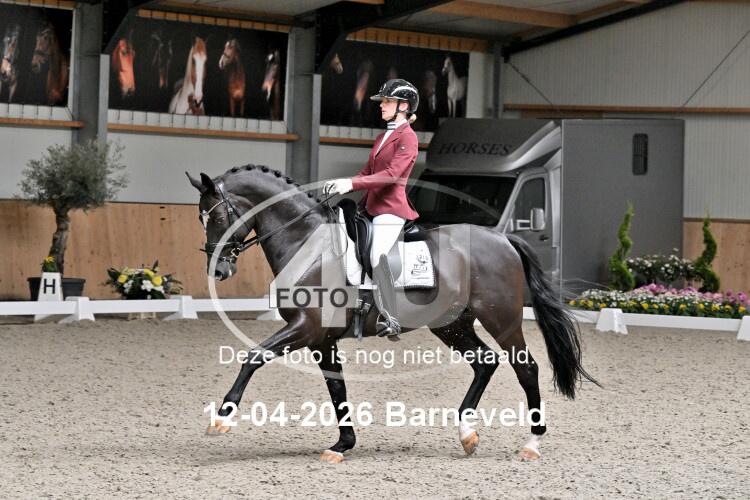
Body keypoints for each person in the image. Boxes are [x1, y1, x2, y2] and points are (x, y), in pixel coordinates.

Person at [324, 78, 420, 339]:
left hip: (391, 209)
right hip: (369, 207)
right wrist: (343, 184)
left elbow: (392, 175)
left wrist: (351, 183)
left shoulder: (408, 137)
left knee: (378, 255)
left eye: (387, 101)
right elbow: (367, 173)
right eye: (383, 101)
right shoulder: (382, 137)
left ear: (404, 106)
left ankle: (391, 317)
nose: (382, 105)